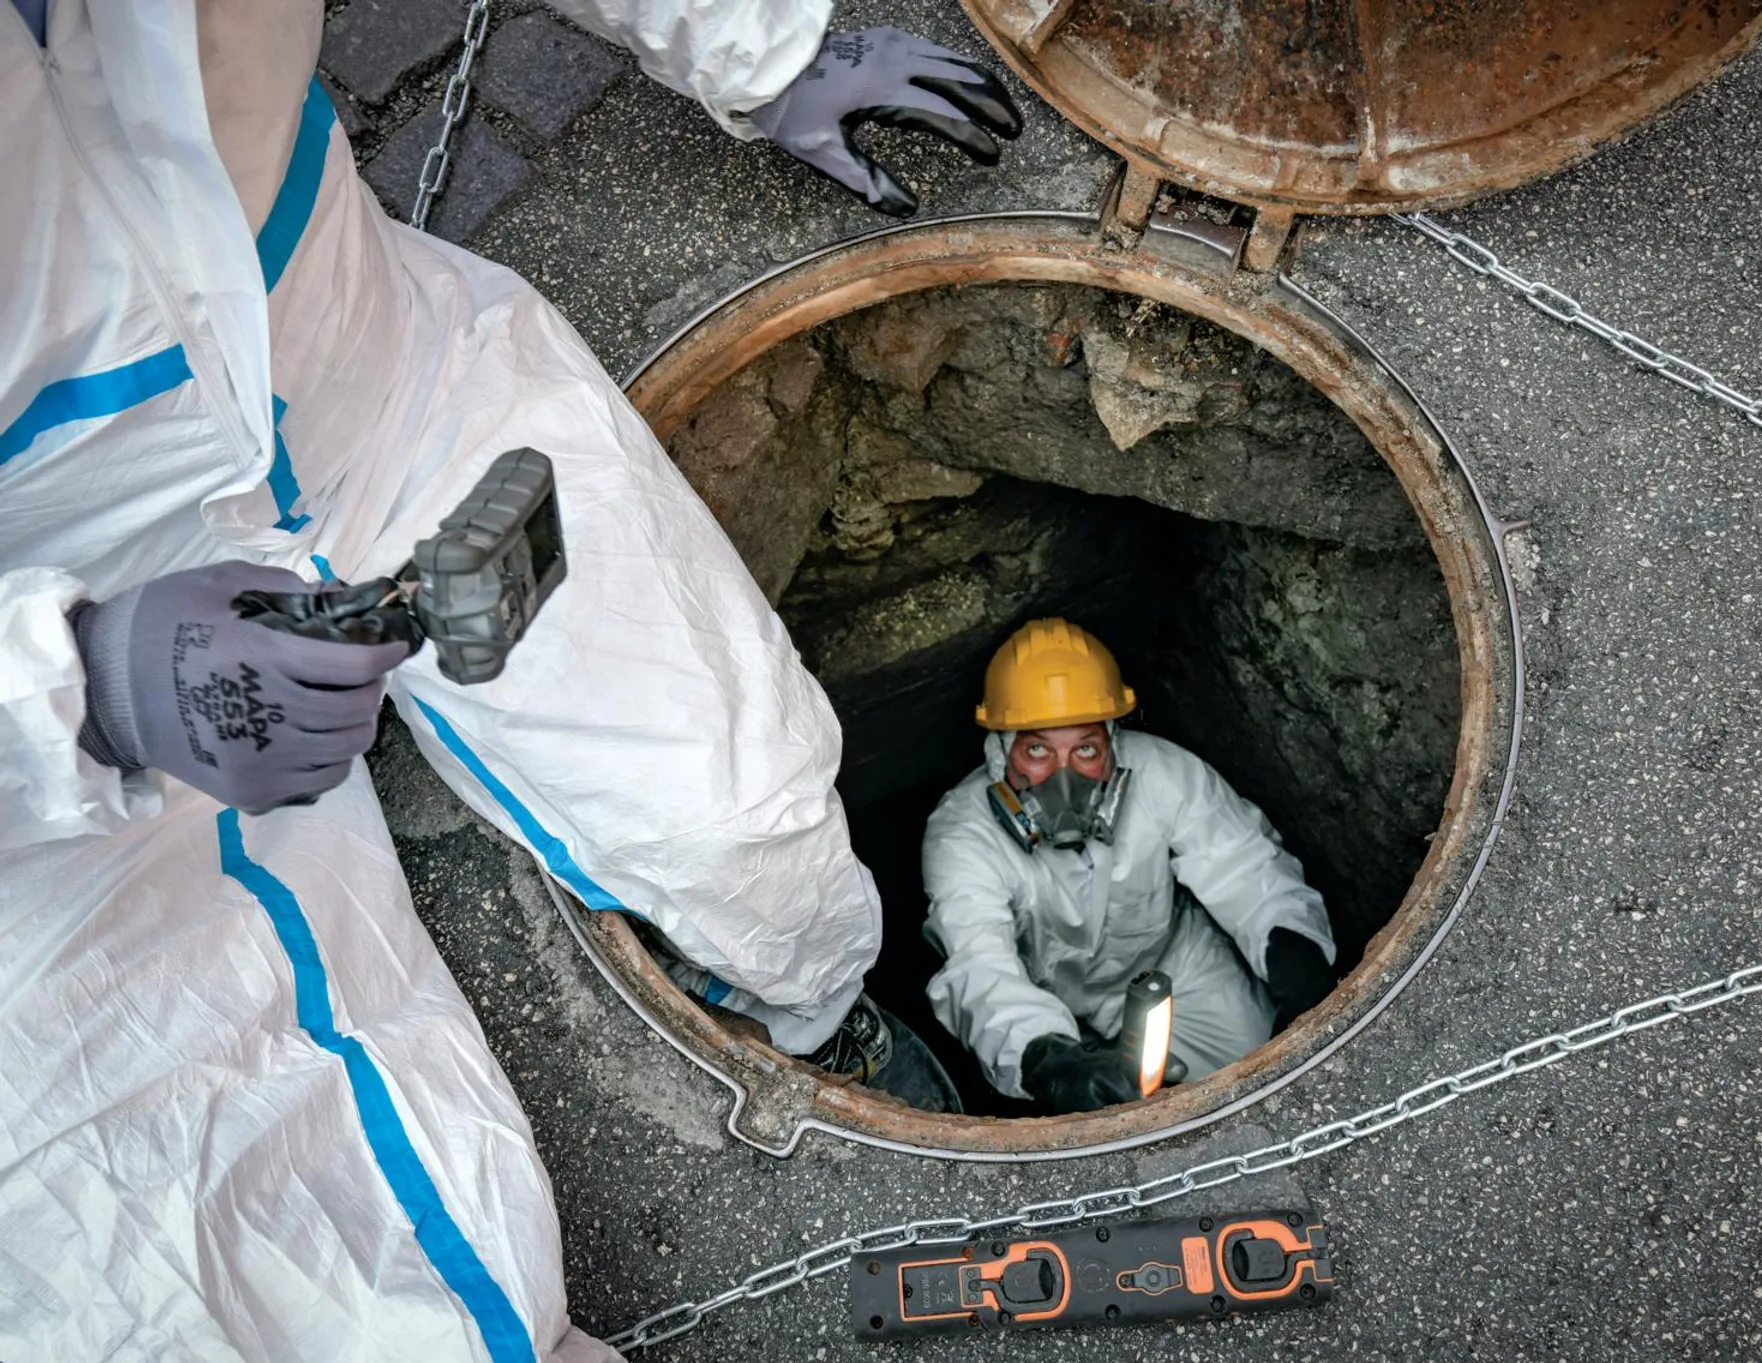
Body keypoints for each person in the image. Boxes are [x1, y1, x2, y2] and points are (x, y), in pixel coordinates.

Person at [0, 2, 1015, 1358]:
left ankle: (819, 1030)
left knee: (755, 829)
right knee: (283, 1301)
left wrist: (758, 46)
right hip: (56, 707)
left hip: (367, 383)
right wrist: (76, 692)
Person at [921, 619, 1341, 1115]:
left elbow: (1242, 865)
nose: (1064, 777)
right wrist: (1045, 1056)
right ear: (999, 750)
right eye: (1037, 749)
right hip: (1055, 1002)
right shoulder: (963, 836)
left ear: (1112, 745)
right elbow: (979, 965)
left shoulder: (1165, 773)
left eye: (1085, 749)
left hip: (1177, 963)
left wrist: (1293, 948)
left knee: (1272, 1077)